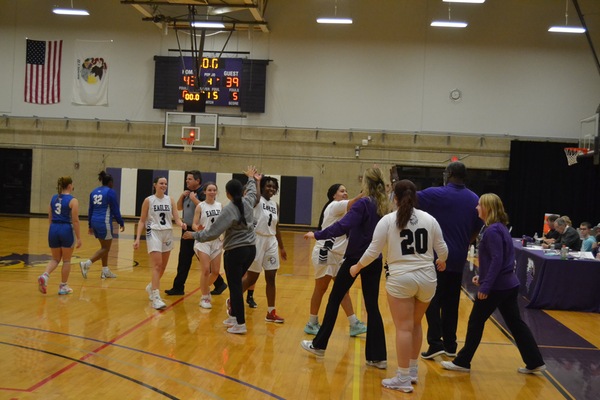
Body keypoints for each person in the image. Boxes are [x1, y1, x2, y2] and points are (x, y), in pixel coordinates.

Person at [349, 179, 448, 393]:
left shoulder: (387, 220)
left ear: (395, 198)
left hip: (401, 279)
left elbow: (373, 251)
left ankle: (403, 377)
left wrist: (357, 266)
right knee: (416, 324)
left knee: (403, 328)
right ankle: (412, 370)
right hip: (428, 279)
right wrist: (442, 260)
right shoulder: (429, 219)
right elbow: (443, 249)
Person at [441, 193, 546, 374]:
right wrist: (482, 277)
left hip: (497, 287)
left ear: (488, 208)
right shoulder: (500, 228)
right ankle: (535, 361)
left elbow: (497, 260)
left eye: (479, 205)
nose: (476, 208)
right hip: (508, 285)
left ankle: (463, 362)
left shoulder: (492, 231)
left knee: (475, 322)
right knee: (515, 323)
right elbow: (500, 260)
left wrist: (486, 285)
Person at [301, 167, 388, 367]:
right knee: (372, 307)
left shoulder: (364, 204)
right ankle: (378, 357)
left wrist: (317, 234)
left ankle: (319, 345)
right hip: (373, 260)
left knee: (334, 299)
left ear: (366, 184)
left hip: (355, 259)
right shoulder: (382, 205)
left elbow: (343, 226)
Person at [413, 162, 482, 360]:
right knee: (451, 303)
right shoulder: (474, 198)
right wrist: (462, 242)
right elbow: (476, 229)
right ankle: (450, 345)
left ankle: (435, 343)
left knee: (431, 300)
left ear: (449, 174)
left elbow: (409, 197)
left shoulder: (435, 194)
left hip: (436, 258)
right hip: (459, 257)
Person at [183, 166, 260, 334]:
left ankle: (240, 323)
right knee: (236, 284)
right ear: (242, 191)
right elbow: (253, 190)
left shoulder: (228, 209)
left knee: (235, 287)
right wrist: (251, 178)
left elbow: (212, 233)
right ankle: (234, 317)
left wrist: (193, 235)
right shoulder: (248, 201)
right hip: (251, 250)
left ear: (227, 194)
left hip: (236, 252)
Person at [304, 183, 367, 337]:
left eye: (346, 190)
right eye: (342, 191)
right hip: (325, 252)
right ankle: (312, 322)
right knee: (321, 288)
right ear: (334, 195)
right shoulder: (335, 205)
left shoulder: (343, 209)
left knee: (342, 289)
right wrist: (367, 189)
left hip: (338, 255)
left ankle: (354, 324)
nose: (345, 193)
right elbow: (355, 202)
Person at [164, 171, 228, 296]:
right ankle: (178, 287)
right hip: (187, 229)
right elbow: (179, 208)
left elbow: (205, 208)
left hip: (200, 231)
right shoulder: (188, 193)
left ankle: (217, 284)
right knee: (184, 259)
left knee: (203, 262)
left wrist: (194, 199)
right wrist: (182, 196)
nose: (187, 181)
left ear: (197, 181)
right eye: (187, 179)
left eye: (189, 179)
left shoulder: (202, 194)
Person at [134, 176, 186, 310]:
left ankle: (151, 286)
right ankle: (156, 296)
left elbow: (176, 217)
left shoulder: (170, 200)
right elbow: (141, 220)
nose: (164, 185)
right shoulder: (149, 200)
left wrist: (181, 224)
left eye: (165, 183)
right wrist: (137, 238)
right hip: (153, 232)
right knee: (157, 265)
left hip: (167, 233)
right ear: (155, 185)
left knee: (162, 267)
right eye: (161, 183)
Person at [242, 175, 287, 323]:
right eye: (268, 186)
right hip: (257, 239)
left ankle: (271, 312)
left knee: (271, 277)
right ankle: (232, 299)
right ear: (262, 188)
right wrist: (257, 181)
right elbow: (255, 195)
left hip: (271, 240)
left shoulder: (275, 205)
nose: (271, 188)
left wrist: (282, 247)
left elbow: (277, 226)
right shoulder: (257, 200)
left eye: (273, 187)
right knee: (252, 278)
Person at [38, 176, 82, 295]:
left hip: (53, 228)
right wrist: (79, 238)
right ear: (69, 186)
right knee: (66, 260)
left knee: (55, 259)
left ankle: (45, 275)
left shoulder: (53, 198)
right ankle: (63, 286)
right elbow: (75, 220)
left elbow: (50, 217)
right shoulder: (73, 201)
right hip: (66, 229)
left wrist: (53, 229)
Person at [79, 170, 125, 279]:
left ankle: (105, 270)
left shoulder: (94, 192)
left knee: (104, 247)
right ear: (110, 182)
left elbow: (90, 209)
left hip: (95, 221)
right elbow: (115, 209)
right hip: (104, 222)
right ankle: (87, 264)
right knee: (106, 248)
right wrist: (121, 222)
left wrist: (90, 225)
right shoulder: (110, 192)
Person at [192, 182, 222, 309]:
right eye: (209, 190)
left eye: (214, 190)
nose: (212, 192)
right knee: (205, 270)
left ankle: (205, 289)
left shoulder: (220, 205)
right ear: (204, 192)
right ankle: (204, 297)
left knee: (215, 272)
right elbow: (194, 224)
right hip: (203, 240)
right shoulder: (200, 206)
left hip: (217, 241)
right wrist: (197, 228)